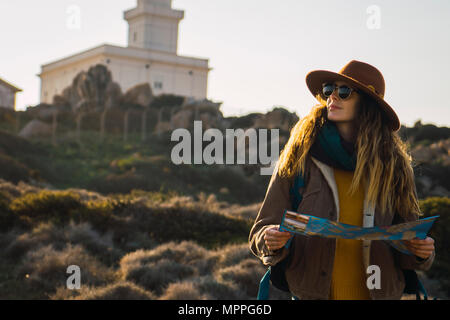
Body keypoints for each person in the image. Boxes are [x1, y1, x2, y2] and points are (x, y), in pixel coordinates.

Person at [249, 60, 435, 300]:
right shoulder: (299, 155)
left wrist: (421, 251)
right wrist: (270, 239)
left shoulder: (395, 168)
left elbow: (407, 241)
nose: (332, 97)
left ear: (367, 104)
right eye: (329, 90)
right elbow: (260, 230)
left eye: (344, 92)